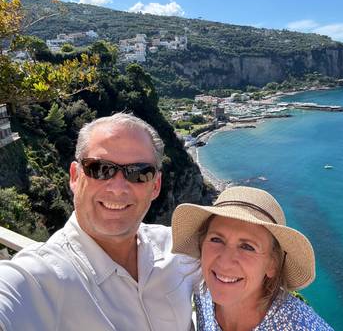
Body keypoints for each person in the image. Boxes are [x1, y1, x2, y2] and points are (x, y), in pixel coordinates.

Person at [0, 113, 197, 331]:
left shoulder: (178, 248)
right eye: (101, 169)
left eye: (139, 173)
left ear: (156, 185)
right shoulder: (43, 276)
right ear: (75, 177)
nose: (118, 188)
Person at [171, 186, 334, 330]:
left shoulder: (301, 326)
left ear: (273, 265)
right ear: (202, 244)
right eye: (216, 239)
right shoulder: (203, 295)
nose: (225, 262)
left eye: (247, 247)